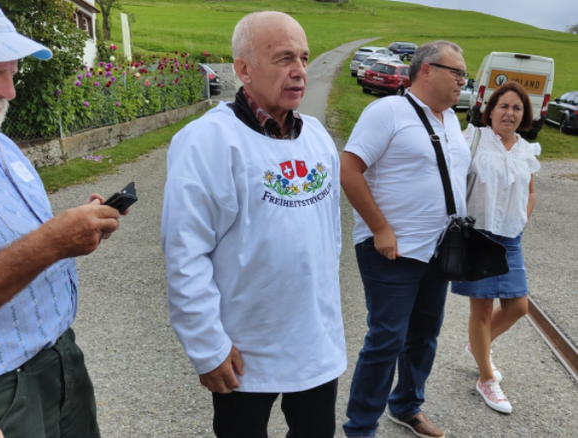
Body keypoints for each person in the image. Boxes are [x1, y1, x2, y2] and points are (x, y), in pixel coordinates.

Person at [161, 11, 346, 438]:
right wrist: (207, 347)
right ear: (243, 69)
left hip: (315, 345)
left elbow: (327, 235)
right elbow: (184, 252)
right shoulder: (208, 141)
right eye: (284, 58)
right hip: (243, 351)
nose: (300, 71)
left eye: (303, 57)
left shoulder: (318, 136)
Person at [0, 4, 124, 437]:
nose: (10, 93)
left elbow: (18, 244)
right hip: (4, 389)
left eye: (11, 73)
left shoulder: (5, 148)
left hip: (60, 358)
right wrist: (53, 241)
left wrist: (76, 232)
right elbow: (40, 245)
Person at [340, 40, 470, 438]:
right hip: (391, 251)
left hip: (439, 250)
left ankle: (406, 405)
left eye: (465, 75)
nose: (463, 82)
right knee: (386, 340)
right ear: (426, 70)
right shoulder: (388, 111)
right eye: (458, 73)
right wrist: (380, 228)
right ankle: (360, 426)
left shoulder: (451, 120)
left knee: (425, 335)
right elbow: (348, 169)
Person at [453, 81, 540, 414]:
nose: (510, 113)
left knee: (519, 306)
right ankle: (486, 378)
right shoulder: (473, 140)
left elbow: (530, 191)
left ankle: (479, 347)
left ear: (524, 115)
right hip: (479, 236)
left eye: (517, 108)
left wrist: (522, 219)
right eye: (504, 106)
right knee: (483, 311)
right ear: (490, 111)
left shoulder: (525, 149)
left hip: (510, 237)